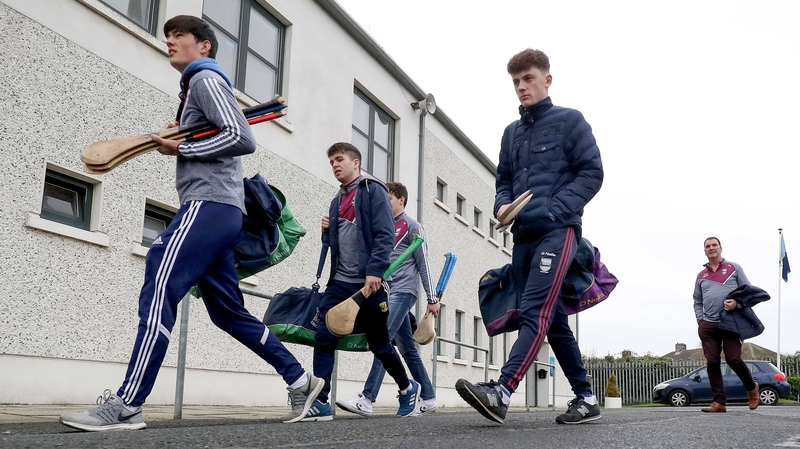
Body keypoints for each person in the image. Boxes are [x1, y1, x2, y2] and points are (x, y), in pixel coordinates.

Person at [59, 15, 321, 431]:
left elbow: (242, 137)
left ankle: (127, 404)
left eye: (179, 35)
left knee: (161, 278)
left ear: (204, 46)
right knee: (228, 312)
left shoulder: (204, 78)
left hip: (209, 205)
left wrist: (185, 148)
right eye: (167, 36)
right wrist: (181, 143)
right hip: (223, 211)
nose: (170, 42)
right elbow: (225, 134)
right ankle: (300, 379)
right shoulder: (198, 86)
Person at [455, 48, 604, 425]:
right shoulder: (511, 133)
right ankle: (586, 397)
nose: (521, 87)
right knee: (552, 320)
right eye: (516, 82)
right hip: (522, 237)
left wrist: (556, 209)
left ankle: (502, 391)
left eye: (529, 79)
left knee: (535, 309)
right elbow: (503, 180)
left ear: (547, 79)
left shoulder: (570, 121)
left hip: (559, 231)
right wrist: (501, 207)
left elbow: (592, 172)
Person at [303, 143, 421, 421]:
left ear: (355, 163)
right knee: (324, 337)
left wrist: (376, 271)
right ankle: (320, 401)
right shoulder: (336, 201)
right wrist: (327, 231)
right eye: (331, 161)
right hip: (340, 284)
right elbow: (338, 245)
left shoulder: (372, 191)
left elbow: (385, 234)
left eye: (340, 159)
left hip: (370, 285)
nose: (335, 165)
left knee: (380, 344)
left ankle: (407, 388)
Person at [336, 182, 440, 417]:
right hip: (386, 291)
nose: (384, 204)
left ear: (401, 200)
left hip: (404, 291)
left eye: (389, 199)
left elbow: (425, 266)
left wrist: (432, 298)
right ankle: (429, 397)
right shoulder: (382, 226)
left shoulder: (413, 227)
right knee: (406, 348)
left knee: (382, 340)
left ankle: (367, 398)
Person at [693, 237, 760, 413]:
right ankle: (719, 402)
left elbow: (748, 293)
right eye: (708, 246)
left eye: (714, 245)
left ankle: (752, 388)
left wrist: (737, 304)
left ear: (720, 248)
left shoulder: (734, 268)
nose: (711, 248)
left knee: (733, 359)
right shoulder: (701, 276)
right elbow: (697, 300)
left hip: (730, 323)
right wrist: (700, 320)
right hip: (708, 325)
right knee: (712, 362)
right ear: (705, 251)